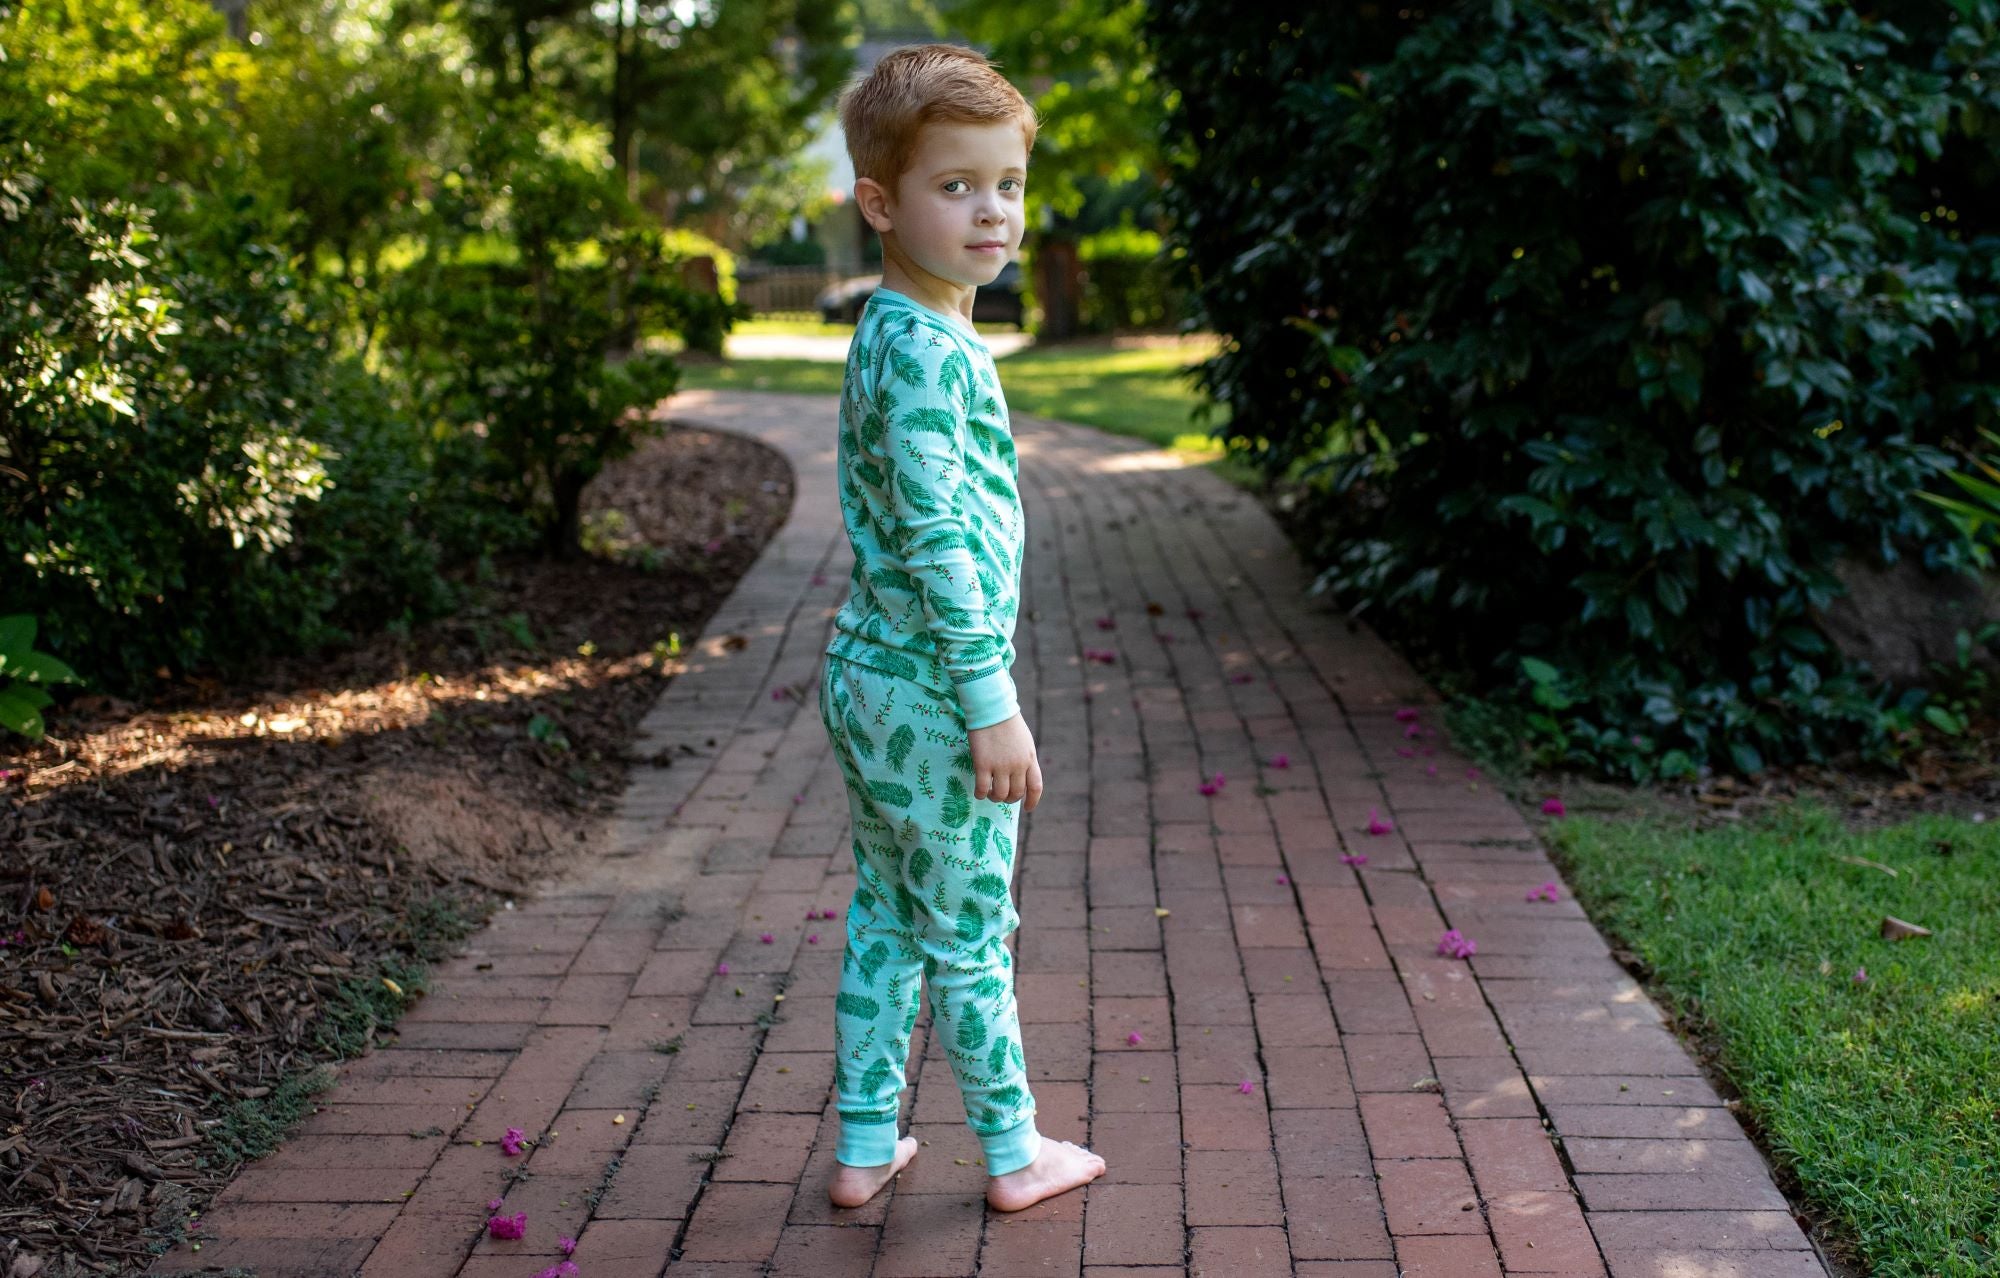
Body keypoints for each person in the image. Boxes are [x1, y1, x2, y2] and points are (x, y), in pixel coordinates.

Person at [817, 42, 1107, 1214]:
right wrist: (991, 705)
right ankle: (1011, 1153)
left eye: (1008, 184)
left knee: (888, 913)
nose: (991, 211)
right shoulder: (929, 354)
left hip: (871, 677)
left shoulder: (900, 329)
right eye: (954, 186)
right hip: (934, 694)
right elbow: (939, 541)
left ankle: (861, 1144)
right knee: (971, 928)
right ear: (880, 203)